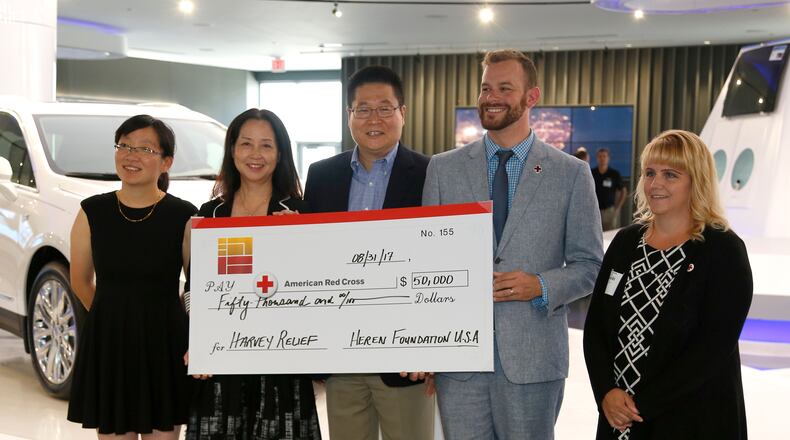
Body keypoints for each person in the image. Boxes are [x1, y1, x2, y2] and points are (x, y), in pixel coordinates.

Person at [422, 49, 603, 439]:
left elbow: (590, 265)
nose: (491, 97)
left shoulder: (571, 175)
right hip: (460, 363)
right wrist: (429, 349)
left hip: (533, 362)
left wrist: (539, 285)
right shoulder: (442, 169)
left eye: (505, 87)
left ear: (531, 97)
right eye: (486, 87)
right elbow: (427, 265)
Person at [583, 130, 753, 439]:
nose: (655, 184)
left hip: (690, 420)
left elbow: (712, 349)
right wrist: (606, 392)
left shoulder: (723, 250)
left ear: (696, 181)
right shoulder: (624, 243)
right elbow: (596, 327)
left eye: (670, 175)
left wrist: (639, 406)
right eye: (650, 173)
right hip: (618, 419)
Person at [303, 65, 433, 440]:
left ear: (402, 114)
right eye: (363, 109)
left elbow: (446, 262)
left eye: (385, 108)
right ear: (349, 116)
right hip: (341, 358)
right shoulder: (321, 175)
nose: (374, 119)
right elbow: (311, 261)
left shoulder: (431, 173)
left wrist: (436, 346)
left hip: (407, 359)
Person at [183, 108, 320, 439]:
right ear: (232, 150)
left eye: (266, 145)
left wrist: (305, 240)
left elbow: (318, 291)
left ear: (281, 153)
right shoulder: (209, 216)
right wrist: (198, 341)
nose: (255, 155)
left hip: (282, 366)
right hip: (221, 366)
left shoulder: (302, 214)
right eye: (246, 144)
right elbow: (195, 290)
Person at [67, 115, 197, 439]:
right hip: (110, 342)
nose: (131, 155)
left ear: (166, 162)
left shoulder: (183, 216)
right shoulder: (91, 211)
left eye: (144, 149)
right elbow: (80, 281)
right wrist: (113, 314)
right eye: (124, 146)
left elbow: (198, 284)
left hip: (165, 342)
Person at [592, 147, 627, 230]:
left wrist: (617, 207)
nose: (602, 159)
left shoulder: (614, 174)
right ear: (597, 158)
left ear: (608, 158)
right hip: (594, 211)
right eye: (600, 156)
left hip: (609, 210)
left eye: (604, 156)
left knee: (610, 236)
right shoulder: (592, 173)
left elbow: (623, 191)